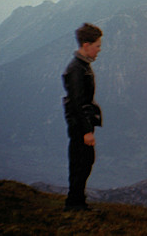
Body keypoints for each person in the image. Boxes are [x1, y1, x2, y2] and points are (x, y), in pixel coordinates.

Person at [62, 23, 103, 212]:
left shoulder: (80, 66)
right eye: (97, 46)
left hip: (79, 123)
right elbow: (78, 103)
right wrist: (87, 131)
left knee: (83, 161)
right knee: (82, 162)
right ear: (86, 45)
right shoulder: (78, 69)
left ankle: (77, 200)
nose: (98, 50)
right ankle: (74, 203)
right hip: (80, 125)